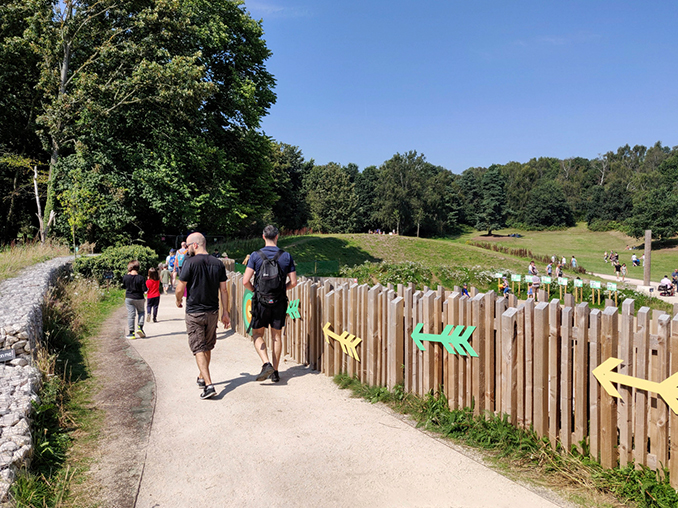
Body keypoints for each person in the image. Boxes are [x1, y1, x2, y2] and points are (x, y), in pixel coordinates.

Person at [176, 232, 231, 400]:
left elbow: (180, 287)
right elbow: (223, 290)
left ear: (195, 245)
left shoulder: (189, 262)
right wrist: (226, 312)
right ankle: (202, 375)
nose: (185, 249)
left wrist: (178, 300)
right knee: (207, 346)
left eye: (187, 245)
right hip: (213, 311)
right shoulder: (218, 264)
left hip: (194, 311)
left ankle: (209, 385)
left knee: (198, 347)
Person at [243, 225, 297, 383]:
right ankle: (275, 371)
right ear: (277, 237)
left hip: (261, 301)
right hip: (279, 301)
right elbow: (293, 282)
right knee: (276, 336)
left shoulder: (255, 255)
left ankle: (266, 363)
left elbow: (245, 281)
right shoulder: (286, 256)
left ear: (263, 236)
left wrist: (255, 290)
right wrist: (282, 289)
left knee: (257, 334)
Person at [123, 260, 146, 340]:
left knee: (131, 315)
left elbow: (123, 286)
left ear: (129, 268)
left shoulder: (126, 277)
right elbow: (144, 289)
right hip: (139, 297)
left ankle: (131, 333)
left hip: (129, 298)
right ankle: (140, 327)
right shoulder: (141, 278)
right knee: (141, 312)